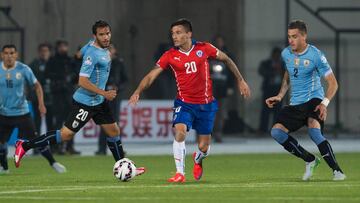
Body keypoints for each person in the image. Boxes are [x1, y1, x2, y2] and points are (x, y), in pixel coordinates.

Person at [14, 20, 145, 176]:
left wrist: (77, 57)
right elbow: (82, 82)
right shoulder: (92, 54)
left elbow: (79, 54)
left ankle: (125, 167)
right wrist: (104, 93)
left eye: (107, 33)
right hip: (86, 102)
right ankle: (25, 145)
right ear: (95, 36)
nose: (105, 37)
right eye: (101, 34)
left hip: (98, 101)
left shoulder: (91, 45)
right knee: (65, 135)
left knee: (113, 131)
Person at [129, 18, 251, 182]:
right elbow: (151, 76)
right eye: (172, 33)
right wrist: (137, 91)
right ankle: (180, 173)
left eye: (178, 32)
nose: (175, 36)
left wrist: (240, 80)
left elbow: (227, 59)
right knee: (180, 132)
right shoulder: (170, 55)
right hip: (184, 103)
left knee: (204, 147)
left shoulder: (204, 48)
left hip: (206, 104)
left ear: (189, 34)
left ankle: (198, 158)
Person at [266, 20, 346, 181]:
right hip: (296, 103)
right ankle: (310, 159)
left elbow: (333, 83)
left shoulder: (316, 55)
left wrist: (324, 103)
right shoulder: (286, 54)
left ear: (304, 37)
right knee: (276, 132)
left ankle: (337, 171)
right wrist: (280, 95)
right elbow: (288, 74)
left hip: (314, 99)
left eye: (294, 37)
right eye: (289, 36)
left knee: (314, 132)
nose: (291, 40)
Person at [0, 44, 66, 174]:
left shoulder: (23, 69)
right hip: (4, 113)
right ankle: (4, 168)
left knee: (36, 140)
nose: (9, 56)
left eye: (12, 53)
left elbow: (37, 86)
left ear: (16, 55)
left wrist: (41, 104)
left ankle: (53, 163)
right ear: (2, 55)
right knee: (1, 143)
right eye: (6, 53)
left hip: (22, 112)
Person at [46, 40, 80, 155]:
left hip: (70, 95)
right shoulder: (52, 61)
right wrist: (60, 80)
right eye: (61, 46)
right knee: (58, 123)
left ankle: (70, 147)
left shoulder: (70, 60)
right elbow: (47, 75)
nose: (63, 48)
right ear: (57, 48)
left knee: (71, 123)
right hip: (57, 95)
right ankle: (55, 147)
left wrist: (71, 77)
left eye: (65, 46)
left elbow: (77, 76)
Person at [96, 44, 128, 155]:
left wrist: (118, 88)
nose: (109, 51)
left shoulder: (119, 62)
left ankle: (118, 149)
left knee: (115, 122)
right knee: (103, 121)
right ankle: (101, 149)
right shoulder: (100, 62)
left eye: (111, 49)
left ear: (115, 50)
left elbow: (125, 80)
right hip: (103, 96)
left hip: (115, 96)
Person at [258, 47, 285, 133]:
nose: (277, 57)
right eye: (275, 55)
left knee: (278, 110)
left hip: (278, 90)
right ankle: (263, 129)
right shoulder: (266, 63)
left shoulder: (283, 64)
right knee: (265, 110)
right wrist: (272, 72)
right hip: (268, 89)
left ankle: (275, 128)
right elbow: (261, 71)